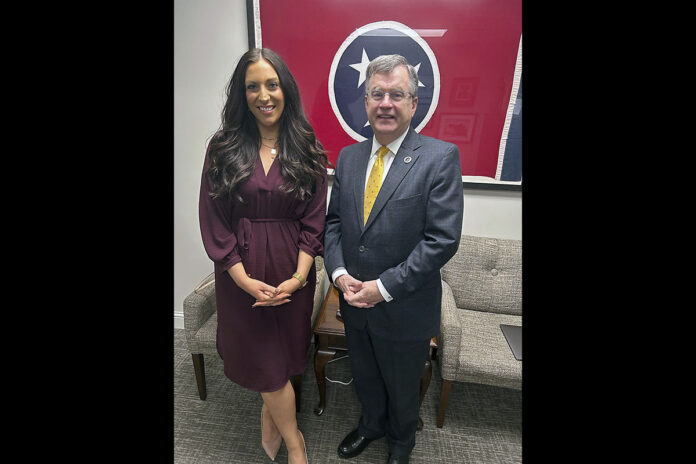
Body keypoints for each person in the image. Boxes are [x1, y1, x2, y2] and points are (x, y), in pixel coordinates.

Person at [324, 54, 464, 464]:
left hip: (404, 307)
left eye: (397, 95)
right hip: (354, 303)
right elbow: (334, 224)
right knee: (365, 375)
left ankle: (402, 442)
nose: (386, 103)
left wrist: (383, 288)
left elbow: (441, 240)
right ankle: (371, 425)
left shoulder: (439, 158)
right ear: (365, 101)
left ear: (413, 103)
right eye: (377, 94)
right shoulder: (349, 158)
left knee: (403, 385)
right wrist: (339, 272)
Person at [199, 47, 327, 464]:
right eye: (252, 86)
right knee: (267, 365)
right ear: (242, 93)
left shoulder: (307, 147)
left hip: (293, 276)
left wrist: (300, 277)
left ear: (285, 88)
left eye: (271, 84)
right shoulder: (223, 147)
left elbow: (314, 220)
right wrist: (241, 279)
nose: (263, 95)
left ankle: (270, 419)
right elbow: (214, 220)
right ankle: (297, 446)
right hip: (242, 278)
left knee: (283, 359)